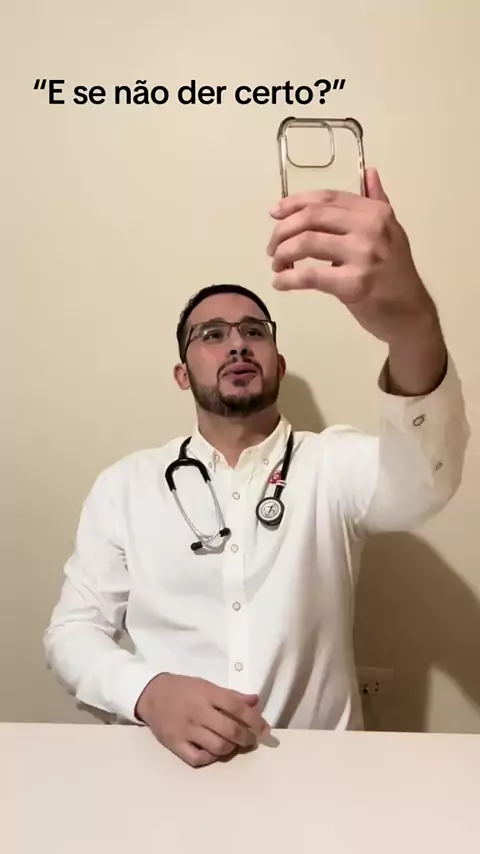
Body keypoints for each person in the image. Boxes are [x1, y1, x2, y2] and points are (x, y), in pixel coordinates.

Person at [44, 169, 470, 768]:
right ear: (182, 373)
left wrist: (412, 327)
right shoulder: (126, 486)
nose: (237, 344)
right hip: (169, 777)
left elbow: (425, 484)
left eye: (254, 332)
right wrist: (147, 692)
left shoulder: (332, 466)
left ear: (277, 361)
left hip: (321, 780)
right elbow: (72, 632)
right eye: (212, 335)